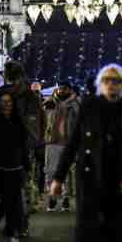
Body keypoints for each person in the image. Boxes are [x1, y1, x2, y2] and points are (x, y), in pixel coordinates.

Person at [51, 64, 122, 242]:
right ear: (101, 84)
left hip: (120, 178)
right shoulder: (89, 106)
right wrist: (58, 177)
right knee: (94, 229)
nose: (111, 84)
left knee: (117, 231)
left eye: (116, 80)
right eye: (108, 80)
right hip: (91, 177)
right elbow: (74, 143)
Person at [0, 91, 29, 242]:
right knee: (9, 202)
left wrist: (25, 164)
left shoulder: (17, 121)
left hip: (15, 167)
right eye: (3, 102)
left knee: (11, 202)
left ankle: (6, 234)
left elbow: (22, 145)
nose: (6, 105)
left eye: (9, 102)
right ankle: (5, 234)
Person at [43, 82, 81, 212]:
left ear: (70, 90)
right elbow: (43, 119)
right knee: (50, 171)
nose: (61, 91)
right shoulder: (49, 102)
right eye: (60, 88)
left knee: (67, 173)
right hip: (52, 141)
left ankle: (65, 199)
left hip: (69, 142)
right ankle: (52, 198)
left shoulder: (76, 103)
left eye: (64, 89)